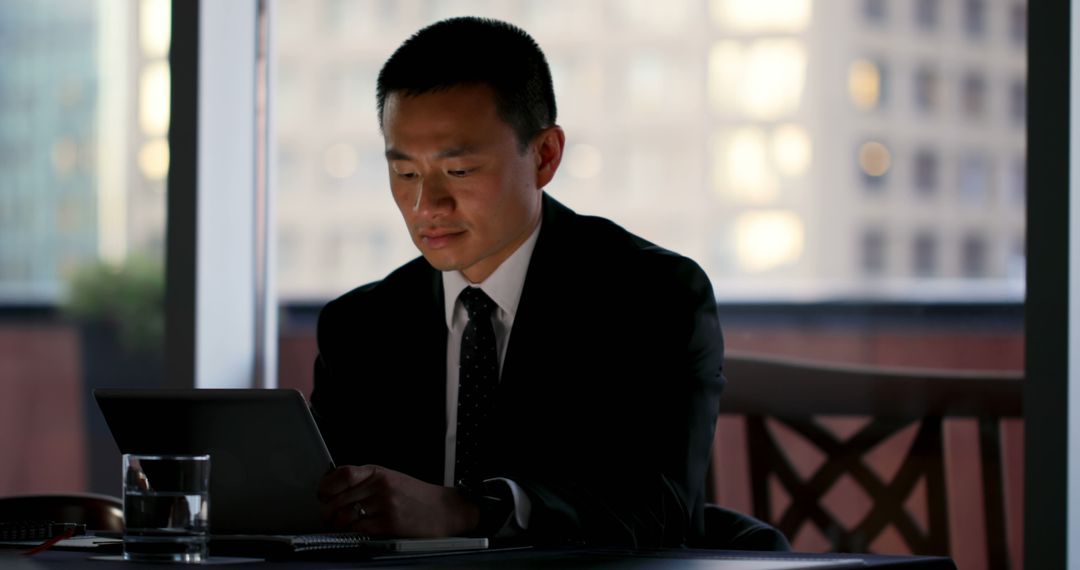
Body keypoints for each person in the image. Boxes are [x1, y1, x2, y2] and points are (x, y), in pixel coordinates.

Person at [310, 16, 725, 547]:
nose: (425, 206)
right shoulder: (360, 326)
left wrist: (468, 512)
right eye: (405, 173)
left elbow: (660, 509)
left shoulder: (652, 297)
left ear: (545, 155)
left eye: (459, 171)